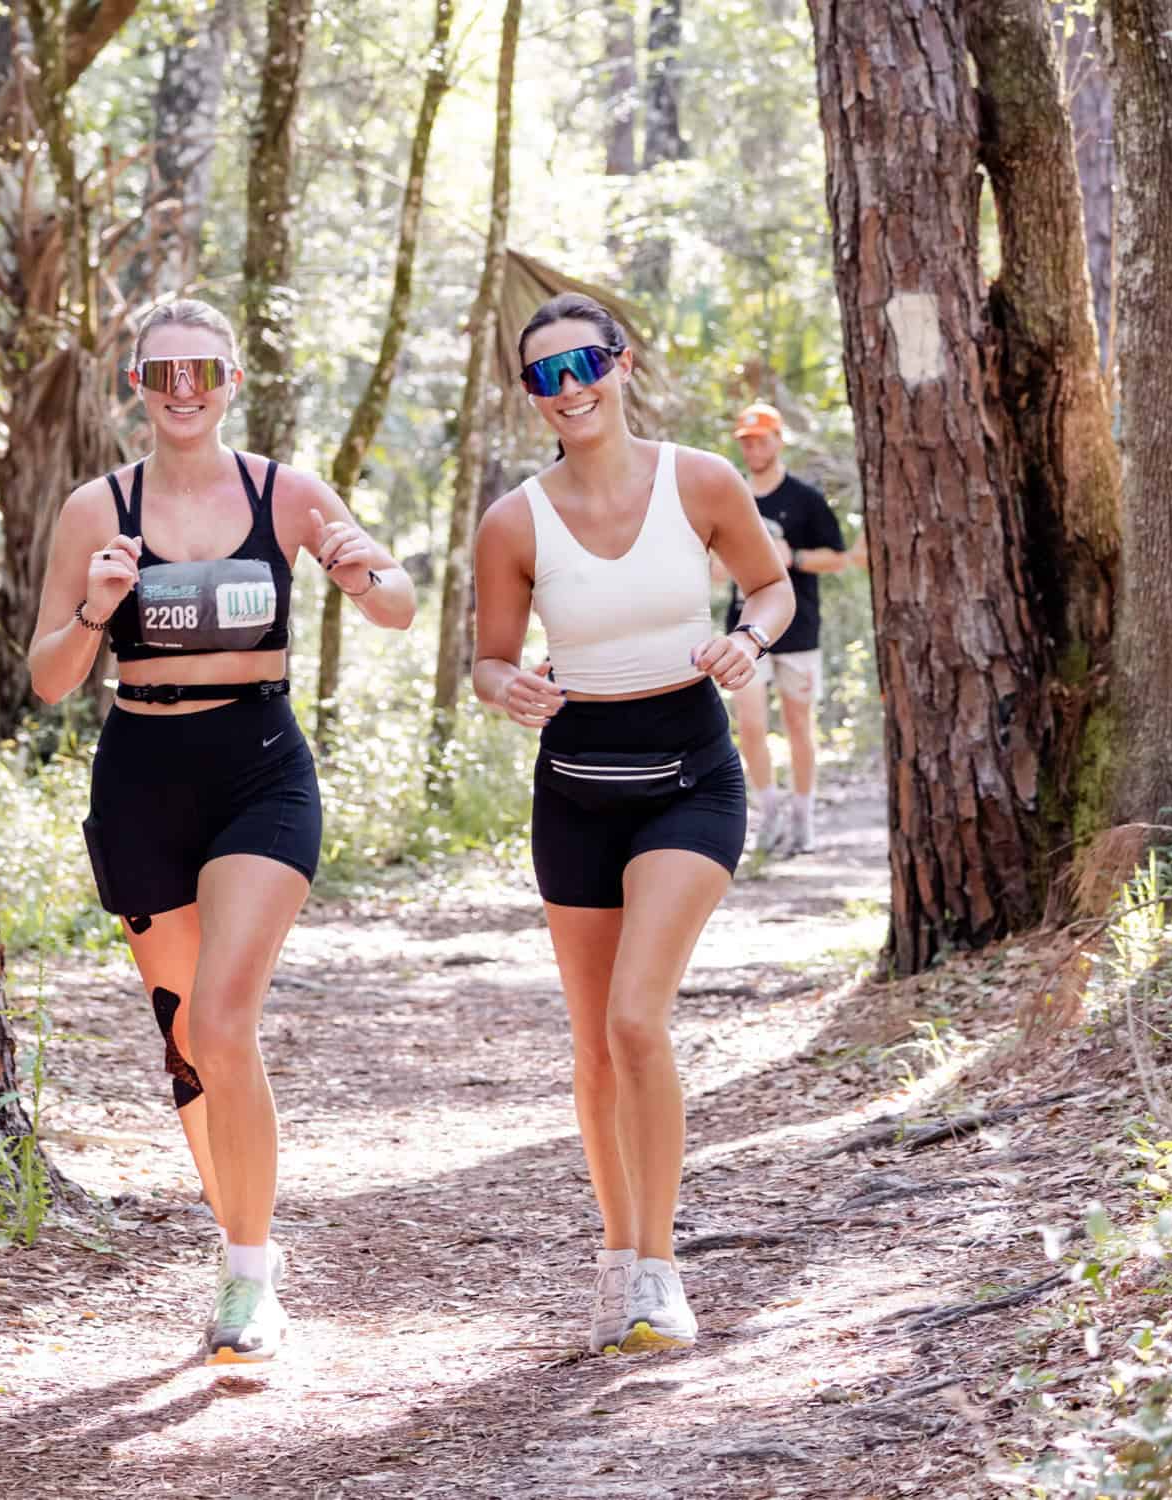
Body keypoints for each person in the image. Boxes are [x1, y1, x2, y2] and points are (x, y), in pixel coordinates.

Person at [28, 299, 416, 1364]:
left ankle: (250, 1277)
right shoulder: (93, 509)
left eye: (203, 369)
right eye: (163, 372)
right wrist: (101, 608)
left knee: (228, 1016)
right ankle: (241, 1240)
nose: (184, 387)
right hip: (142, 774)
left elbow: (398, 603)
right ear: (137, 387)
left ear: (232, 380)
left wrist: (356, 568)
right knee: (188, 1042)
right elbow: (50, 677)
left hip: (259, 770)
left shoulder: (281, 491)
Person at [471, 293, 794, 1356]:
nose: (570, 390)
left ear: (620, 361)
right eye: (545, 377)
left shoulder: (698, 480)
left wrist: (747, 639)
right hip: (573, 785)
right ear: (531, 397)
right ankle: (617, 1261)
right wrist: (503, 687)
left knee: (636, 1020)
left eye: (584, 365)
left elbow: (772, 586)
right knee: (595, 1044)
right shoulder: (513, 521)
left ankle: (661, 1272)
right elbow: (488, 655)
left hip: (691, 778)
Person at [717, 402, 861, 856]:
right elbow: (714, 562)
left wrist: (792, 558)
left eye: (761, 439)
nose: (753, 448)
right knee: (750, 723)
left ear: (779, 440)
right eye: (746, 441)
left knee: (800, 724)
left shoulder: (805, 499)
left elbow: (838, 558)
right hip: (743, 631)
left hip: (798, 630)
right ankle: (769, 812)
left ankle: (804, 814)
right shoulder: (730, 496)